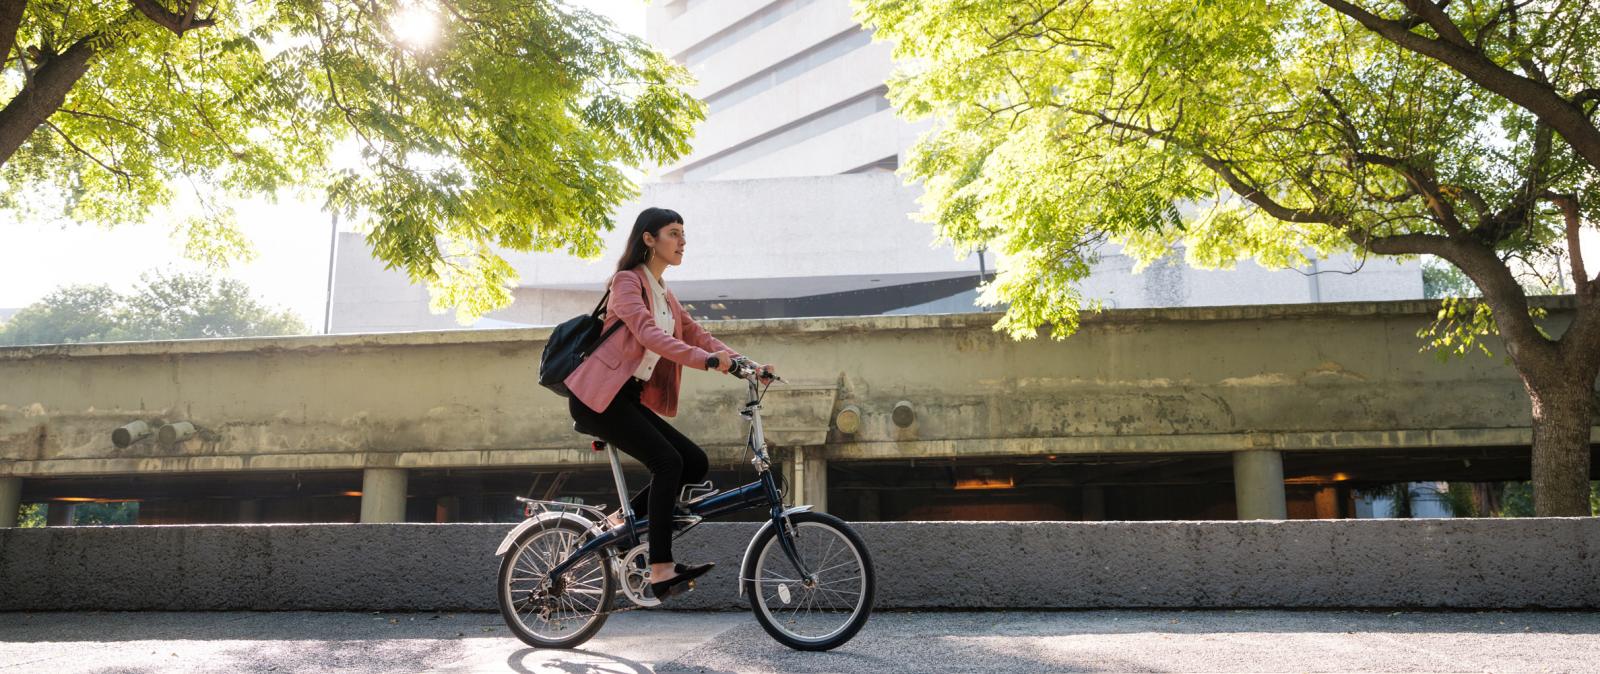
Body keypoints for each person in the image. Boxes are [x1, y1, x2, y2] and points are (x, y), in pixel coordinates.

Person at [564, 206, 778, 601]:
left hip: (624, 397)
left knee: (693, 463)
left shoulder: (664, 293)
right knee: (668, 463)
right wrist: (707, 363)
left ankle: (620, 523)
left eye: (684, 234)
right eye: (674, 233)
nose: (682, 241)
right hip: (597, 397)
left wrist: (745, 364)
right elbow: (646, 333)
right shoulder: (626, 283)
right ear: (649, 238)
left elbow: (698, 334)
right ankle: (660, 567)